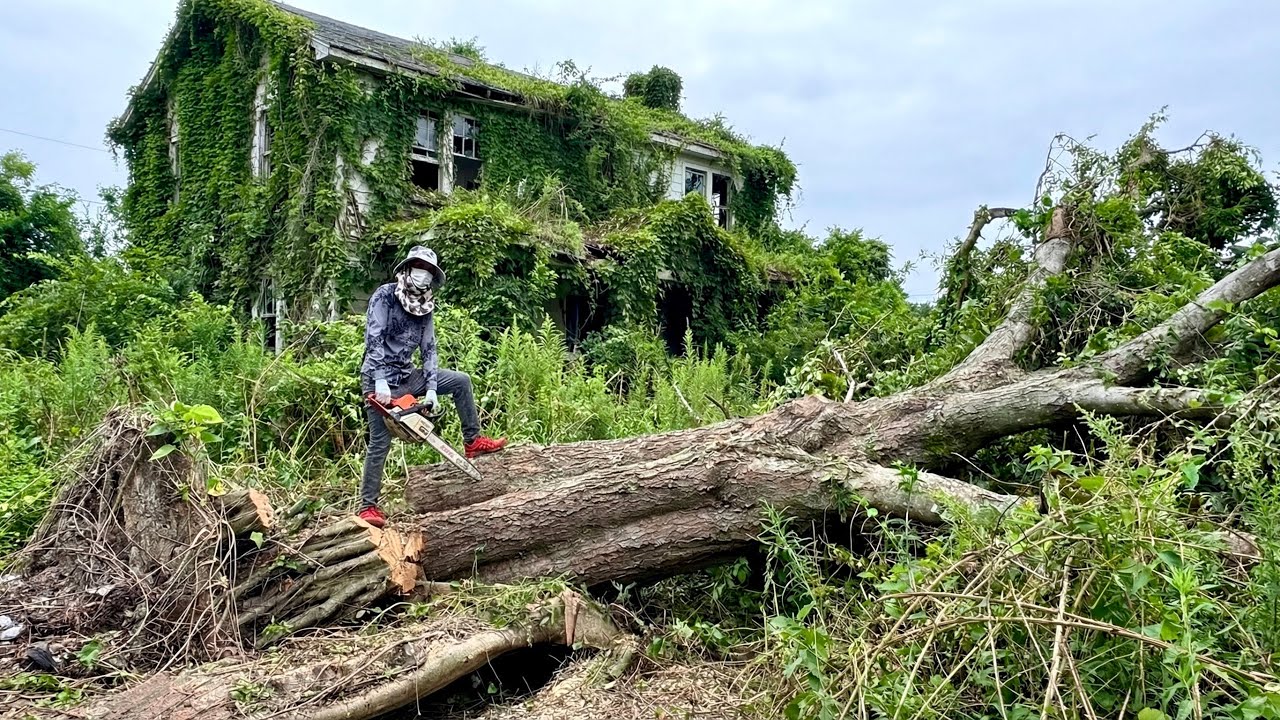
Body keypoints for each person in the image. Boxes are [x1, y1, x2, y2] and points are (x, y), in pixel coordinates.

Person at [357, 243, 506, 527]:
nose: (423, 274)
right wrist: (379, 379)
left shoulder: (425, 306)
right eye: (419, 268)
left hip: (406, 375)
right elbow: (374, 336)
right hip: (378, 378)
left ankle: (473, 441)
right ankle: (368, 507)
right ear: (407, 268)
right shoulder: (385, 296)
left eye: (428, 270)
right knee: (380, 442)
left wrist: (432, 388)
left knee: (461, 381)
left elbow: (429, 349)